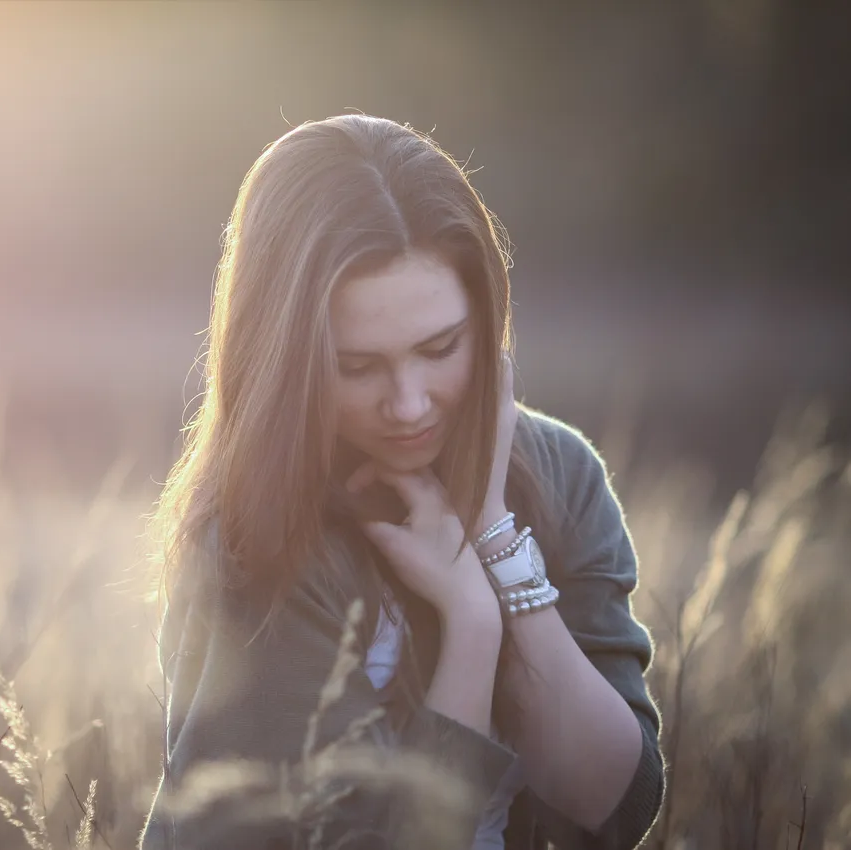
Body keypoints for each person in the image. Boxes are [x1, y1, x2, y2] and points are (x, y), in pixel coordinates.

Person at [138, 115, 665, 849]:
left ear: (487, 323)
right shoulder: (255, 530)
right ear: (286, 360)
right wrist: (471, 629)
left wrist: (494, 541)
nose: (410, 404)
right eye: (357, 367)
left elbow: (614, 806)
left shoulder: (560, 474)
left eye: (440, 347)